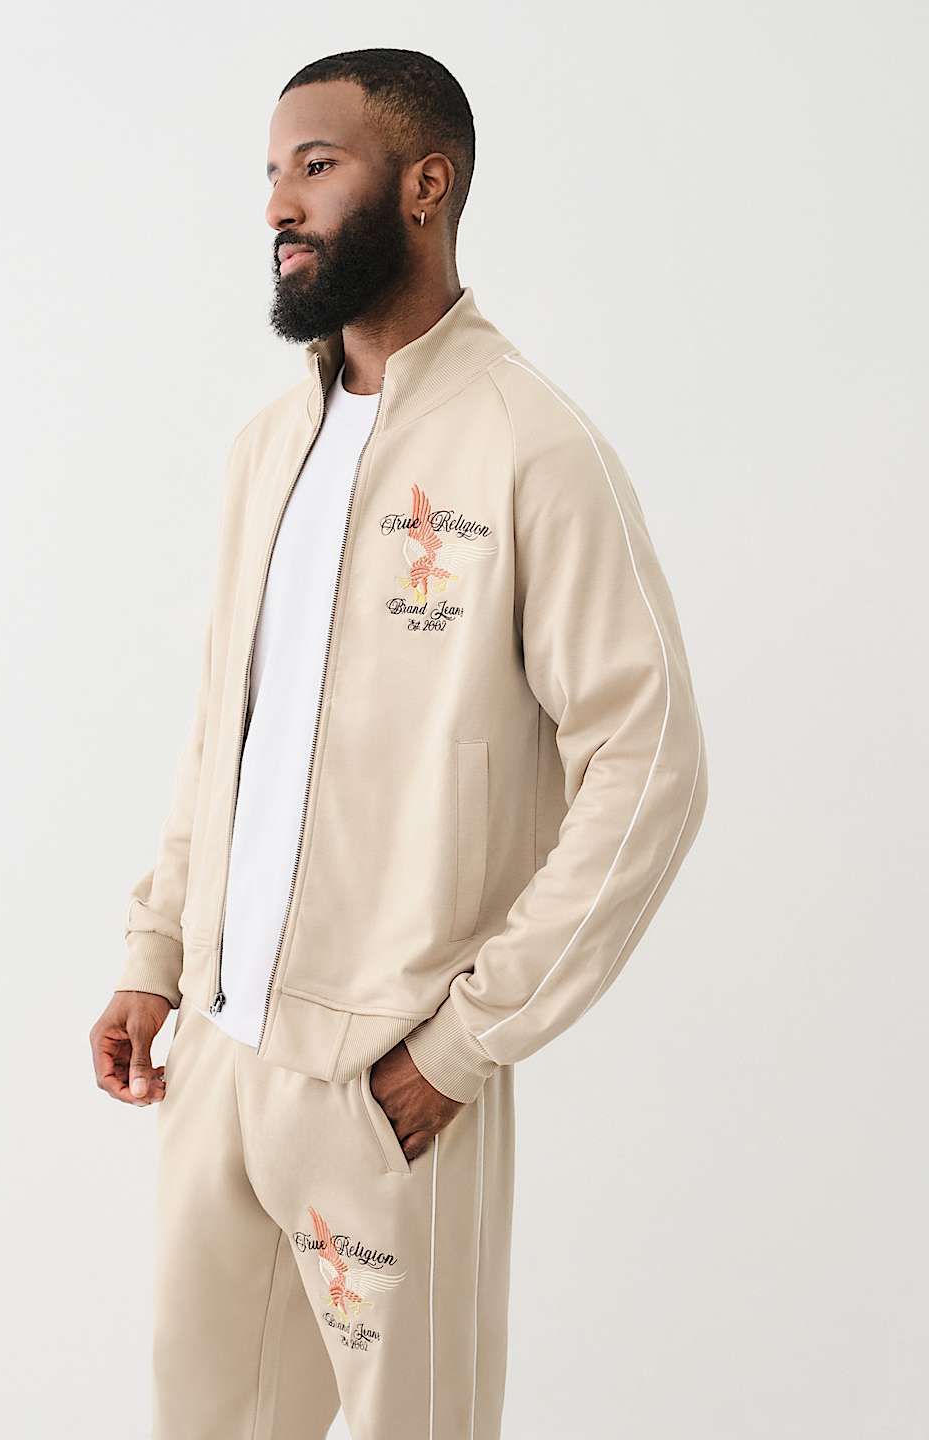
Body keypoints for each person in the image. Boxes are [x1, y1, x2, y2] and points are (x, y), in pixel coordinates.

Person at [89, 46, 708, 1440]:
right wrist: (155, 952)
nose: (278, 204)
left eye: (317, 166)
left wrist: (463, 1045)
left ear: (426, 186)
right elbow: (224, 735)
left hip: (384, 1082)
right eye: (271, 172)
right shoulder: (267, 448)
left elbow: (653, 761)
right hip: (218, 1056)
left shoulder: (531, 447)